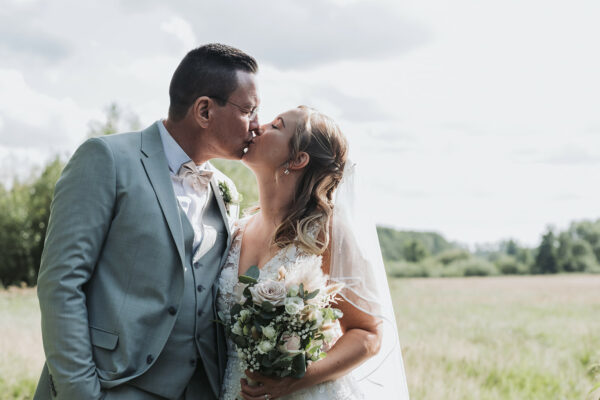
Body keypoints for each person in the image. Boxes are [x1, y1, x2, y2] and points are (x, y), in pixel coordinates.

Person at [34, 43, 260, 400]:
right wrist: (81, 393)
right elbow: (61, 283)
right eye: (249, 110)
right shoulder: (107, 159)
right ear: (204, 110)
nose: (257, 126)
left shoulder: (225, 189)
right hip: (113, 386)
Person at [216, 106, 409, 399]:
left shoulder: (326, 233)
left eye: (276, 125)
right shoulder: (236, 230)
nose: (257, 126)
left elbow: (368, 335)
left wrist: (294, 381)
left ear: (297, 159)